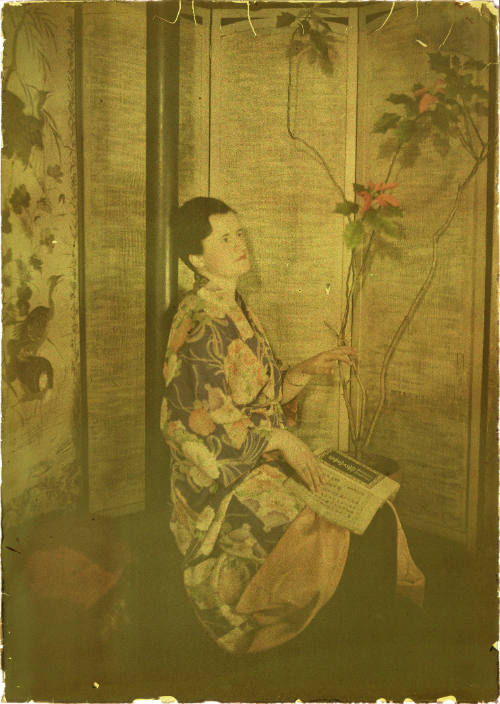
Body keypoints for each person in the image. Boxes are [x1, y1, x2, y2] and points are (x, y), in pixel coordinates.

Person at [160, 197, 425, 655]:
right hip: (221, 483)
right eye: (225, 238)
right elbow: (194, 426)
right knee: (335, 531)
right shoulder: (199, 322)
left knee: (375, 513)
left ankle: (369, 637)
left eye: (240, 232)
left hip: (263, 458)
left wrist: (305, 369)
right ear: (197, 259)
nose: (240, 243)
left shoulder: (236, 306)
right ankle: (351, 648)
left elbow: (262, 393)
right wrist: (280, 438)